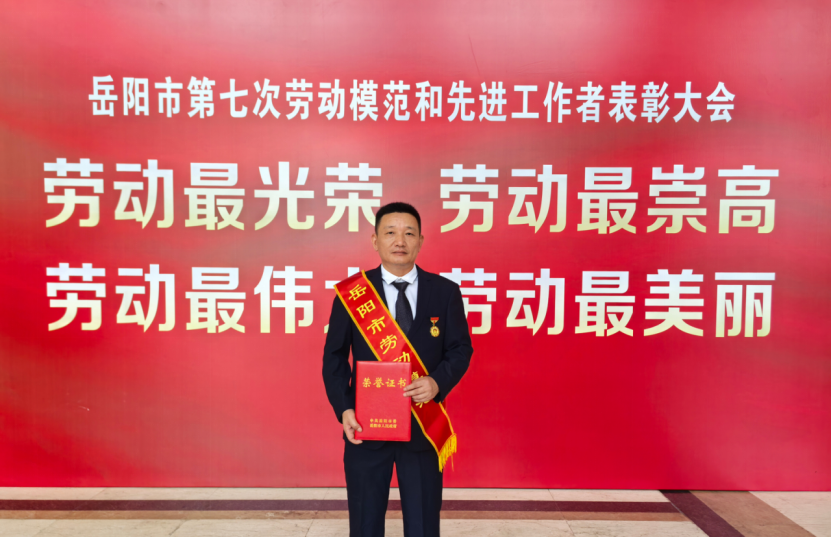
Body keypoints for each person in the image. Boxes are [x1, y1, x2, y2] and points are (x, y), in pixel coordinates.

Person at [322, 201, 473, 537]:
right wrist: (344, 408)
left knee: (423, 525)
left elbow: (461, 349)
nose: (400, 241)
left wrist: (437, 382)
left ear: (421, 240)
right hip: (366, 427)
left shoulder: (445, 292)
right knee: (365, 523)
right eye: (390, 232)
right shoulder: (352, 294)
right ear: (375, 240)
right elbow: (334, 358)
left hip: (423, 426)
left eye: (409, 233)